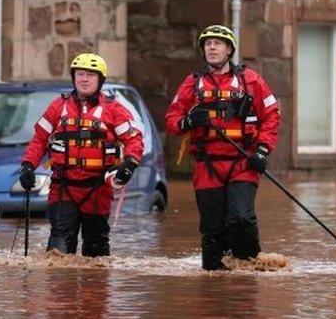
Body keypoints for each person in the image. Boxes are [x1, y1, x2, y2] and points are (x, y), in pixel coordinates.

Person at [164, 24, 280, 270]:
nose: (212, 47)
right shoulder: (192, 84)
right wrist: (188, 121)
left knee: (240, 217)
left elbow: (271, 116)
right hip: (207, 163)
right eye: (208, 44)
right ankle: (216, 281)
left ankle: (249, 265)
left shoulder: (251, 81)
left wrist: (261, 150)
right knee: (213, 229)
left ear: (229, 49)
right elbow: (172, 120)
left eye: (218, 43)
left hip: (243, 160)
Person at [18, 53, 144, 257]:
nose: (84, 79)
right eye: (80, 74)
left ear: (100, 80)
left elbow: (134, 140)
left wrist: (129, 164)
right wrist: (28, 165)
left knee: (95, 249)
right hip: (63, 186)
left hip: (97, 187)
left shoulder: (114, 109)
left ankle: (94, 287)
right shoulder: (58, 106)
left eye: (90, 75)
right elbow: (39, 139)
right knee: (59, 247)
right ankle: (60, 287)